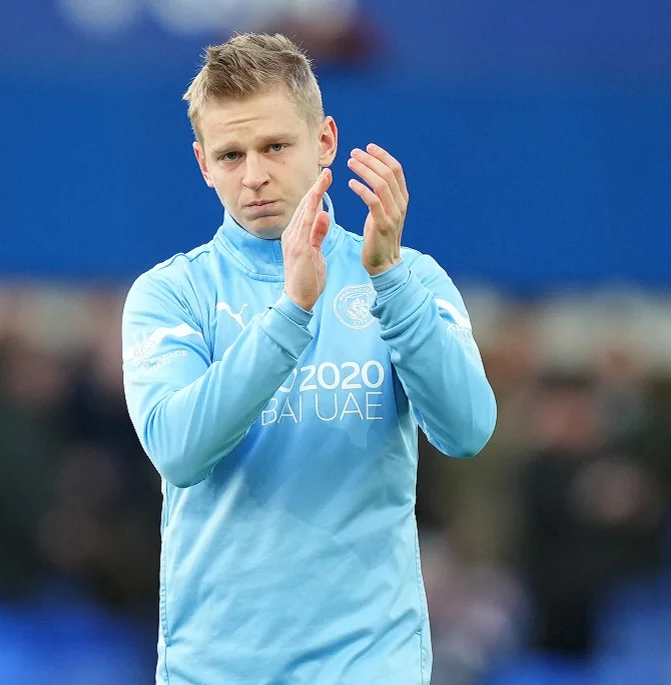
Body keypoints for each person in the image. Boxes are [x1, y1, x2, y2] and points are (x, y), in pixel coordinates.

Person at [121, 33, 496, 684]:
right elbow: (179, 450)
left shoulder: (407, 277)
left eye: (275, 146)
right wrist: (291, 312)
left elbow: (467, 430)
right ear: (202, 162)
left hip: (369, 665)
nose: (254, 176)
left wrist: (390, 282)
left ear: (324, 141)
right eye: (230, 155)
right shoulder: (171, 294)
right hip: (217, 670)